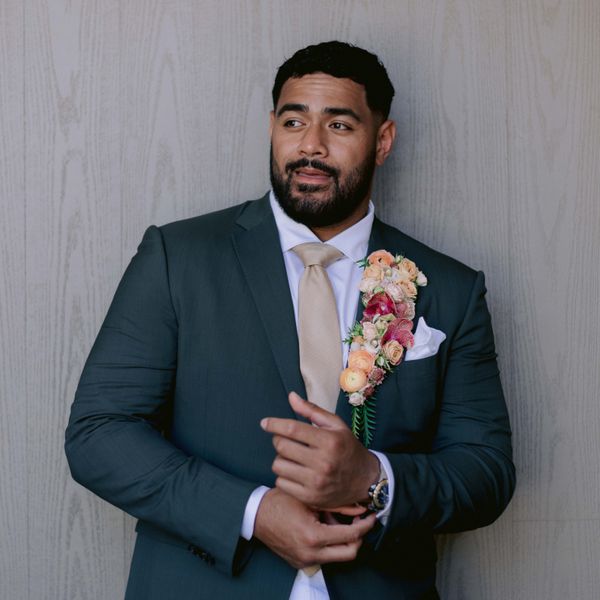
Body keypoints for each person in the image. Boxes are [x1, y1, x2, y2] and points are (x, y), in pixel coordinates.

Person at [65, 41, 515, 599]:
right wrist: (253, 512)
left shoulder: (450, 288)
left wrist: (374, 480)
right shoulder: (177, 258)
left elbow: (485, 474)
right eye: (293, 120)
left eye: (340, 126)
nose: (310, 146)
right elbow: (99, 434)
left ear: (383, 140)